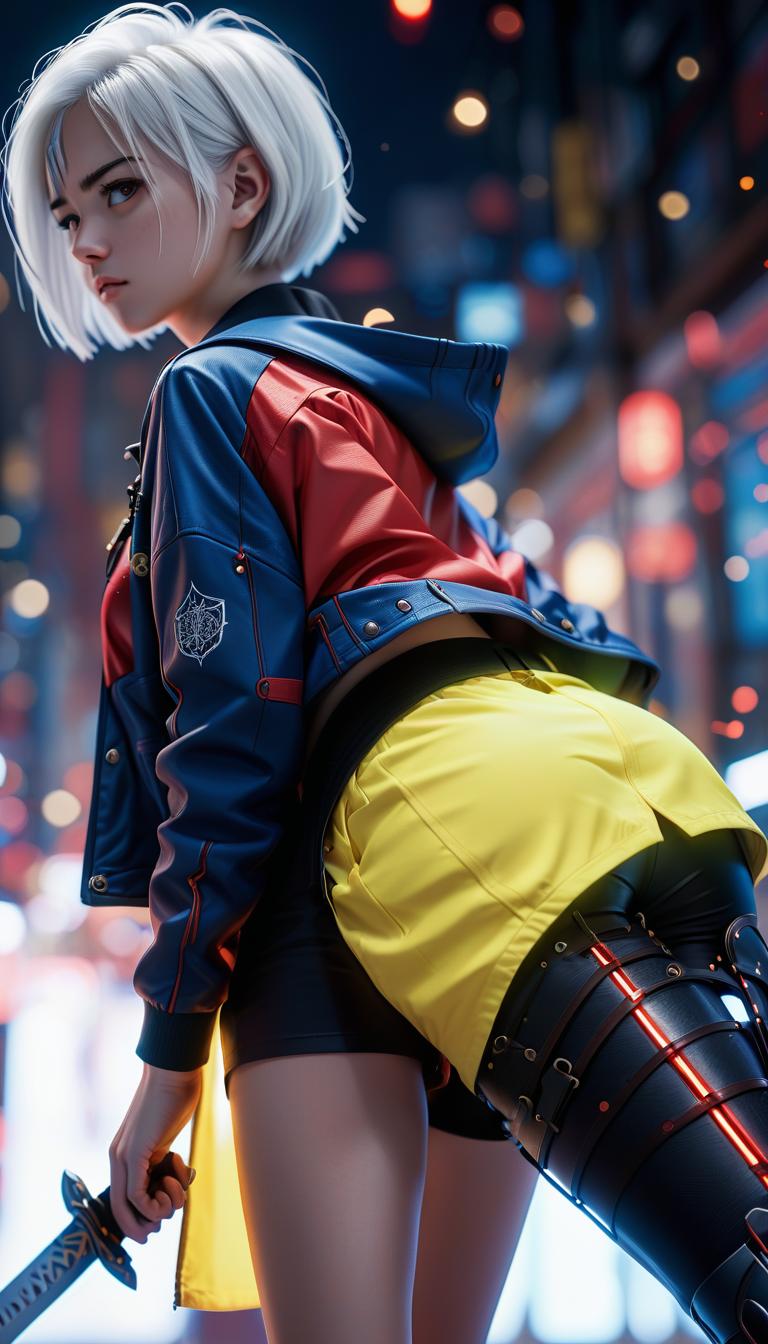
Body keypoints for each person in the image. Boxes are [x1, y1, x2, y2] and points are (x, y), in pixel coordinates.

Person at [3, 5, 767, 1342]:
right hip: (559, 821)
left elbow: (233, 739)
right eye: (67, 213)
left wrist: (166, 1067)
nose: (90, 240)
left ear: (242, 183)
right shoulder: (375, 404)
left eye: (120, 190)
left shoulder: (207, 396)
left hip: (365, 872)